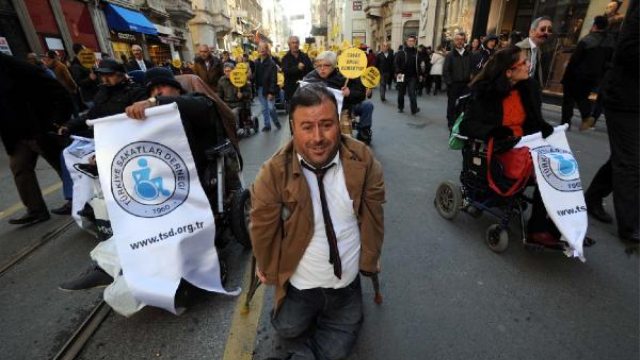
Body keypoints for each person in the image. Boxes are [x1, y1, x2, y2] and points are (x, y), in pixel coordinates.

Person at [250, 83, 385, 359]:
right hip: (301, 284)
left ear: (339, 122)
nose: (318, 137)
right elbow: (262, 227)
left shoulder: (363, 159)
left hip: (344, 283)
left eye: (326, 124)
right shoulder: (273, 172)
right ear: (292, 126)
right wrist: (266, 266)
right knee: (286, 328)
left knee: (335, 350)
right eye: (307, 127)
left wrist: (370, 260)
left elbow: (374, 216)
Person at [459, 46, 561, 247]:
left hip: (525, 145)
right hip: (500, 149)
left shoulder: (528, 88)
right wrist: (493, 132)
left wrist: (544, 129)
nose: (528, 65)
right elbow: (467, 125)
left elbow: (534, 121)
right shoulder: (485, 91)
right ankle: (538, 229)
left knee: (561, 164)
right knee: (547, 168)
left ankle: (560, 224)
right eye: (523, 62)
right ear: (508, 72)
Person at [587, 0, 639, 243]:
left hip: (628, 95)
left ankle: (592, 197)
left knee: (627, 157)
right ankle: (630, 225)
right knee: (630, 161)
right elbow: (629, 49)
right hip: (626, 97)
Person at [0, 53, 72, 225]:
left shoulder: (20, 68)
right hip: (15, 135)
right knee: (20, 168)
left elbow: (60, 92)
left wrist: (56, 121)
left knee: (62, 165)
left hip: (38, 130)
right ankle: (36, 210)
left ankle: (80, 200)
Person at [303, 51, 373, 143]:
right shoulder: (310, 78)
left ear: (333, 66)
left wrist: (349, 93)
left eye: (326, 65)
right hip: (317, 116)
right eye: (319, 66)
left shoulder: (344, 76)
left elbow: (361, 95)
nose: (322, 69)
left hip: (342, 115)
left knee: (345, 145)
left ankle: (363, 133)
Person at [561, 16, 615, 131]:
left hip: (577, 76)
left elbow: (575, 60)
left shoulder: (587, 40)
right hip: (596, 78)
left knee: (569, 99)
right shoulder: (611, 42)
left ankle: (566, 123)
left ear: (595, 26)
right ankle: (586, 117)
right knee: (583, 97)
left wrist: (566, 76)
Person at [443, 32, 472, 129]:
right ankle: (450, 122)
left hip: (466, 84)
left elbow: (472, 68)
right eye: (457, 39)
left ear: (464, 41)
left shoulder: (468, 54)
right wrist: (449, 83)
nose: (460, 41)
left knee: (463, 104)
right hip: (454, 84)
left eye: (462, 39)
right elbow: (446, 70)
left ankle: (458, 121)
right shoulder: (450, 55)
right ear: (454, 41)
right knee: (451, 104)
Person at [516, 16, 553, 86]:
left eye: (549, 30)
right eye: (542, 29)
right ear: (531, 32)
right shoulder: (519, 48)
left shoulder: (538, 51)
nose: (546, 33)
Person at [255, 41, 281, 131]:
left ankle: (276, 121)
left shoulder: (272, 64)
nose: (262, 49)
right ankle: (267, 125)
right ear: (258, 49)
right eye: (260, 47)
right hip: (260, 89)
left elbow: (274, 79)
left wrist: (271, 92)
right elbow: (255, 76)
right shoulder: (257, 62)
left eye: (264, 47)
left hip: (269, 89)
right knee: (264, 108)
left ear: (267, 50)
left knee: (271, 108)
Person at [218, 62, 252, 131]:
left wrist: (242, 94)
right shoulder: (221, 80)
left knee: (233, 112)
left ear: (233, 70)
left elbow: (248, 92)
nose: (227, 73)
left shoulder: (241, 77)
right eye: (225, 71)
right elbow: (220, 94)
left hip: (238, 103)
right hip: (226, 104)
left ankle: (236, 128)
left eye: (229, 71)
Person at [394, 34, 422, 115]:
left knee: (412, 93)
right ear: (406, 42)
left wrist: (420, 74)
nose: (411, 42)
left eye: (412, 41)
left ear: (415, 42)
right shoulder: (401, 52)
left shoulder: (417, 53)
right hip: (401, 75)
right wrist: (397, 72)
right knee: (400, 92)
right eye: (409, 41)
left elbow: (419, 64)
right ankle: (400, 107)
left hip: (412, 76)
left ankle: (414, 109)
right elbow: (396, 63)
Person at [281, 36, 313, 103]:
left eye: (297, 43)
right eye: (293, 43)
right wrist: (297, 68)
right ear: (289, 45)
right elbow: (286, 71)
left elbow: (311, 70)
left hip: (304, 90)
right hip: (291, 90)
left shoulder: (304, 56)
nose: (295, 45)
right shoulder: (285, 58)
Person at [69, 43, 100, 108]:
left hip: (96, 92)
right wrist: (89, 78)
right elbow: (78, 82)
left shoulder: (86, 61)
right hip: (89, 96)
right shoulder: (75, 66)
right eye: (85, 49)